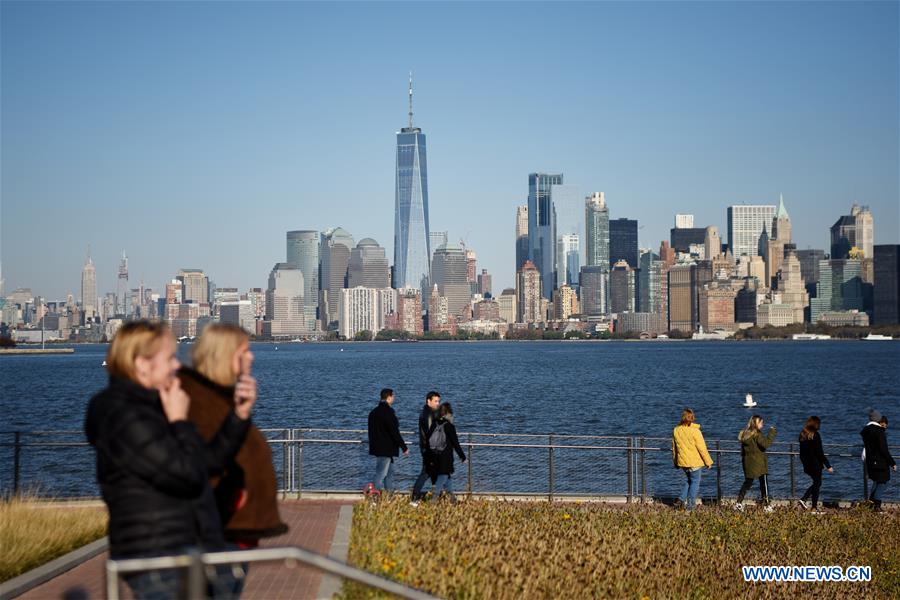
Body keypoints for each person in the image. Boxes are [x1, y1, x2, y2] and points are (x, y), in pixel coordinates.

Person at [85, 321, 253, 599]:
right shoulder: (121, 414)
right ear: (141, 364)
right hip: (158, 555)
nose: (177, 366)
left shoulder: (155, 406)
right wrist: (179, 422)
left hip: (190, 548)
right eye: (170, 358)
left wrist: (238, 417)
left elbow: (207, 464)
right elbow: (185, 475)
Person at [179, 324, 288, 548]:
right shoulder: (198, 403)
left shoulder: (221, 400)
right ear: (225, 356)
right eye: (244, 351)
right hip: (217, 532)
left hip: (234, 531)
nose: (252, 356)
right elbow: (206, 462)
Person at [671, 409, 714, 512]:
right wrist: (708, 462)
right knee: (695, 483)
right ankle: (690, 507)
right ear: (692, 418)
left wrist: (676, 462)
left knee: (689, 481)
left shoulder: (676, 430)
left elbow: (674, 448)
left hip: (683, 462)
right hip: (694, 463)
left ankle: (680, 500)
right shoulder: (695, 431)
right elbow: (702, 448)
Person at [367, 388, 408, 492]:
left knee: (389, 474)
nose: (394, 398)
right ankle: (374, 497)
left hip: (378, 447)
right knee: (381, 474)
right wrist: (404, 447)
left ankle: (389, 497)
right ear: (389, 398)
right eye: (393, 396)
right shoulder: (389, 412)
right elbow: (394, 431)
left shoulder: (373, 412)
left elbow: (371, 431)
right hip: (386, 448)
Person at [424, 402, 467, 502]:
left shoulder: (434, 423)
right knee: (442, 477)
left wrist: (428, 456)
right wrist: (462, 456)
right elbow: (456, 443)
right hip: (445, 457)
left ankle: (453, 500)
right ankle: (433, 500)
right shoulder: (449, 426)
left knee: (447, 478)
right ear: (448, 413)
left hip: (435, 454)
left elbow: (428, 439)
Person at [735, 415, 777, 513]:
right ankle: (766, 505)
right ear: (756, 423)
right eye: (761, 423)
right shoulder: (757, 434)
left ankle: (738, 503)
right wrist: (772, 432)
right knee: (764, 484)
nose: (762, 424)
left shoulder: (745, 434)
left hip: (748, 462)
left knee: (748, 483)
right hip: (759, 463)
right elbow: (765, 444)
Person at [861, 409, 896, 512]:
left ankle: (871, 504)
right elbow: (883, 449)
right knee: (884, 482)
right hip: (880, 461)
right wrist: (892, 462)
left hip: (870, 461)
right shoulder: (879, 432)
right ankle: (877, 505)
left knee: (877, 482)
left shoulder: (866, 431)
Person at [411, 391, 441, 504]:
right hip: (430, 449)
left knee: (433, 473)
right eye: (435, 401)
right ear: (428, 401)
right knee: (426, 473)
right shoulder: (428, 414)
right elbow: (431, 434)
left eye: (439, 401)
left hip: (428, 448)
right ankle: (414, 498)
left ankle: (435, 498)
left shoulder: (427, 412)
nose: (438, 403)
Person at [798, 416, 832, 512]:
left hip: (807, 464)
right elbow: (819, 453)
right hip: (815, 464)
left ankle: (806, 501)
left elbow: (801, 453)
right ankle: (811, 505)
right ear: (816, 424)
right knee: (817, 484)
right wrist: (828, 465)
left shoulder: (802, 434)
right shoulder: (815, 435)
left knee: (817, 483)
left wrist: (804, 463)